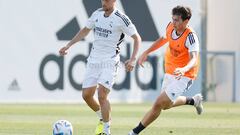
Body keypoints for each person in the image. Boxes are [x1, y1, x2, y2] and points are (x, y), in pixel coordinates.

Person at [59, 0, 141, 135]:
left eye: (107, 0)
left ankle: (106, 130)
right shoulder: (97, 14)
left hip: (110, 61)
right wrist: (68, 45)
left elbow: (137, 38)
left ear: (114, 1)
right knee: (86, 95)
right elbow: (85, 30)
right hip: (94, 60)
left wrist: (133, 59)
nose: (104, 2)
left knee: (102, 94)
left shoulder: (121, 18)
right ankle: (103, 117)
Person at [128, 5, 203, 135]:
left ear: (186, 21)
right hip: (170, 71)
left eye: (177, 20)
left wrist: (184, 69)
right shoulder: (170, 26)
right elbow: (163, 39)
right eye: (173, 19)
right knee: (166, 105)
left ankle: (134, 132)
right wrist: (146, 52)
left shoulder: (191, 37)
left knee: (158, 104)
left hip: (185, 75)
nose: (174, 22)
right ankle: (193, 101)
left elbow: (194, 59)